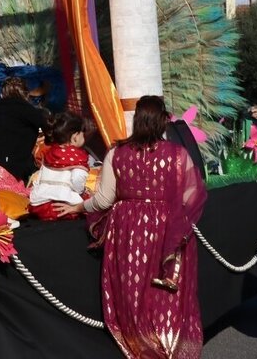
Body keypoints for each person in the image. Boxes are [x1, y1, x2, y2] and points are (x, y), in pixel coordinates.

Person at [56, 95, 207, 358]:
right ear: (162, 121)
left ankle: (141, 344)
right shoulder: (178, 155)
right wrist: (173, 219)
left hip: (128, 229)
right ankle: (168, 343)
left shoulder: (116, 153)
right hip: (167, 228)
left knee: (133, 289)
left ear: (137, 120)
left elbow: (104, 199)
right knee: (165, 292)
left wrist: (79, 207)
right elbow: (192, 195)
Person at [28, 112, 90, 221]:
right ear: (75, 137)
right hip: (63, 205)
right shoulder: (77, 156)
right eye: (83, 133)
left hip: (40, 205)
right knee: (90, 203)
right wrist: (80, 193)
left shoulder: (51, 152)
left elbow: (40, 177)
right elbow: (77, 178)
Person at [0, 77, 49, 184]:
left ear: (1, 95)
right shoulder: (31, 112)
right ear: (26, 95)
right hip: (13, 169)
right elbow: (52, 131)